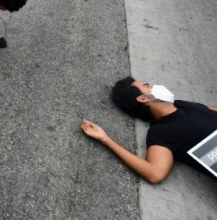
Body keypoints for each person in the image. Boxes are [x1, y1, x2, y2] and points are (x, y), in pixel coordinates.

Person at [81, 77, 217, 183]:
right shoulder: (161, 132)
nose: (155, 86)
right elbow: (155, 174)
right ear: (142, 98)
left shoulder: (183, 105)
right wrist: (105, 139)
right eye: (147, 86)